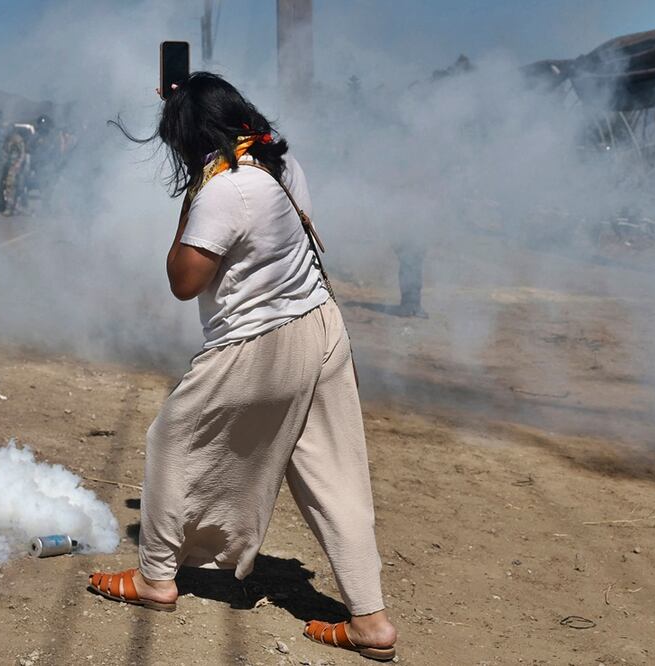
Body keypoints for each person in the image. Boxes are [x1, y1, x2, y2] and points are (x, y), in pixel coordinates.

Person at [90, 72, 398, 662]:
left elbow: (183, 281)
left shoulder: (225, 188)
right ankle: (371, 621)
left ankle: (156, 577)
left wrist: (194, 195)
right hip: (323, 329)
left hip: (262, 340)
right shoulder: (283, 166)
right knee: (335, 478)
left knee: (170, 438)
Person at [0, 126, 29, 216]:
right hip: (9, 166)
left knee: (12, 186)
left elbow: (22, 153)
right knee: (9, 186)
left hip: (16, 166)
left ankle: (11, 207)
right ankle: (14, 207)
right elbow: (5, 152)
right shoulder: (7, 139)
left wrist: (18, 165)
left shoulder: (17, 139)